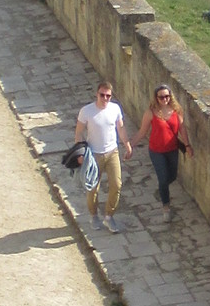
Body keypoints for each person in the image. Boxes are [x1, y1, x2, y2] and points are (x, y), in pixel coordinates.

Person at [74, 78, 132, 229]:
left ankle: (108, 216)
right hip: (94, 155)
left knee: (117, 185)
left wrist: (127, 144)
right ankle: (93, 215)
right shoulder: (86, 111)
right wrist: (80, 153)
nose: (105, 98)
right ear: (97, 94)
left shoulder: (115, 109)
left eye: (108, 96)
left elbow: (121, 128)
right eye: (102, 95)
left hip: (112, 152)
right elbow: (79, 133)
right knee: (93, 188)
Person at [146, 82, 185, 212]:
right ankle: (166, 207)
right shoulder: (151, 112)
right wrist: (130, 145)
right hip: (156, 151)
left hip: (172, 149)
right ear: (156, 98)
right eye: (161, 97)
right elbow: (142, 131)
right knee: (162, 179)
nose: (164, 99)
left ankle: (162, 189)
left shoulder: (177, 110)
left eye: (167, 96)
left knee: (172, 176)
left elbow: (182, 128)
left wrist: (188, 145)